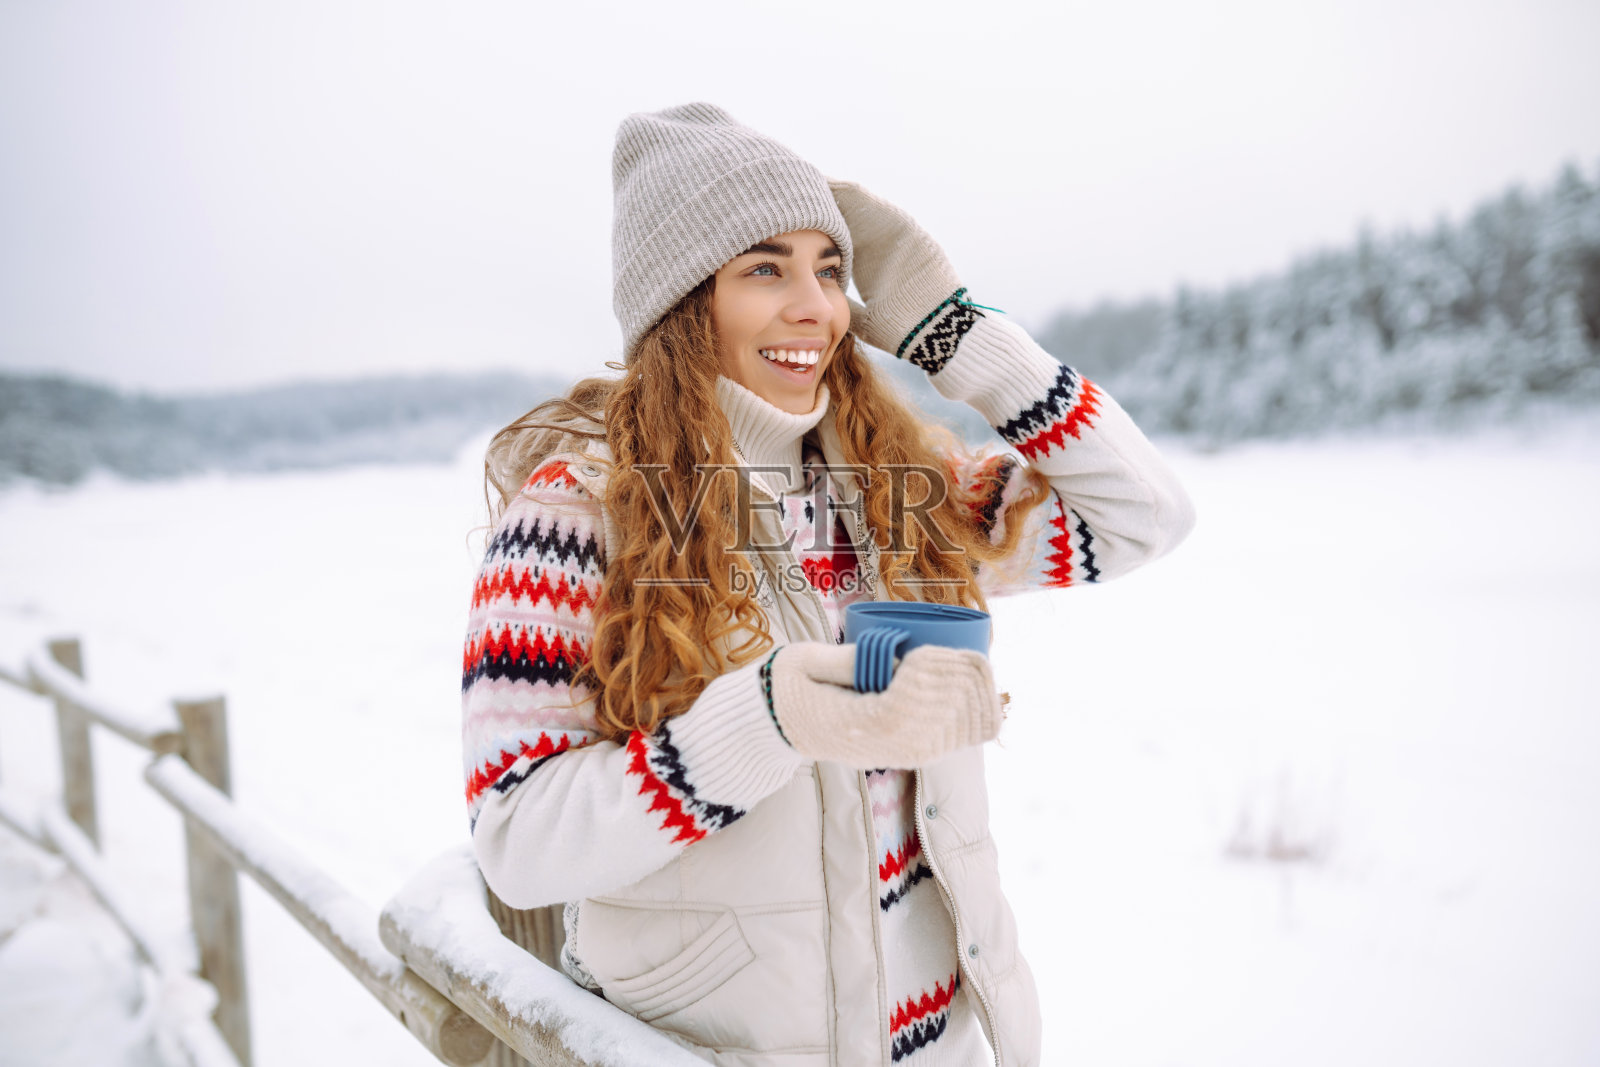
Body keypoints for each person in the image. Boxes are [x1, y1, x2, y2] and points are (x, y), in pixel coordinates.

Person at [461, 102, 1195, 1067]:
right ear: (683, 303)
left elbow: (1142, 512)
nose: (819, 305)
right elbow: (518, 838)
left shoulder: (889, 490)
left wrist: (951, 328)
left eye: (832, 268)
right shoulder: (579, 512)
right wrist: (770, 721)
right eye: (765, 267)